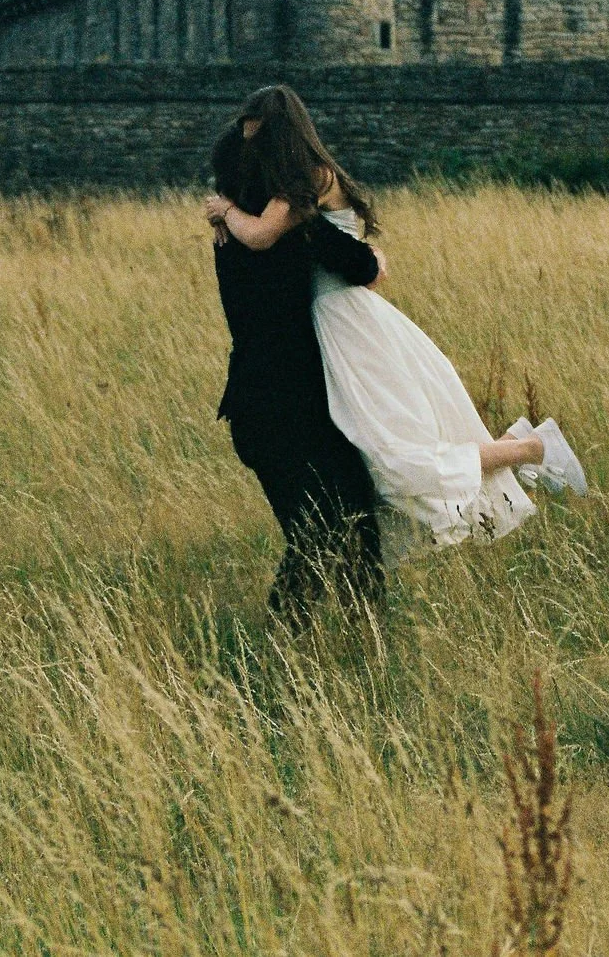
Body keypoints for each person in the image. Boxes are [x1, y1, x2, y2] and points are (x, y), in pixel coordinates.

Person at [206, 86, 586, 565]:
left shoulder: (306, 182)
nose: (253, 153)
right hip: (335, 332)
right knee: (386, 459)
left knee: (397, 459)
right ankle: (522, 446)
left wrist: (225, 209)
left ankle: (529, 448)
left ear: (281, 139)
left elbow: (269, 237)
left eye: (259, 141)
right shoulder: (298, 183)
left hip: (352, 329)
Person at [208, 121, 390, 623]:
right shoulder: (300, 232)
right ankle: (345, 636)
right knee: (340, 526)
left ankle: (310, 643)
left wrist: (226, 210)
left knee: (318, 530)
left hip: (257, 406)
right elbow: (366, 268)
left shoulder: (229, 238)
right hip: (297, 405)